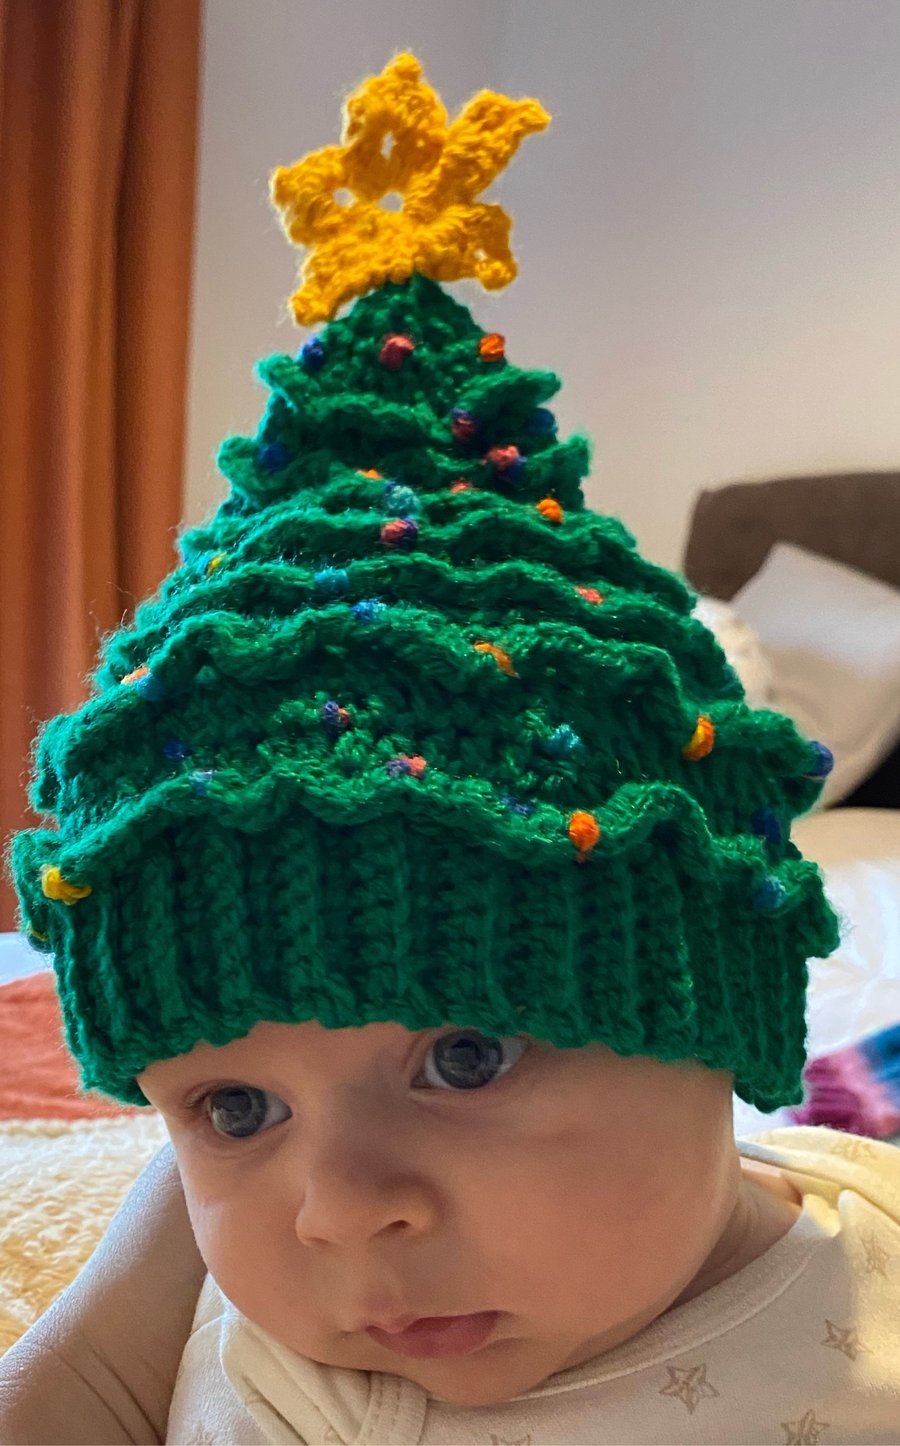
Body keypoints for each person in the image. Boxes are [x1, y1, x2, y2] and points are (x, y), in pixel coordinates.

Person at [3, 50, 899, 1446]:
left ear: (721, 1020)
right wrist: (145, 1262)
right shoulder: (306, 1392)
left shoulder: (868, 1228)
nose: (338, 1208)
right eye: (233, 1105)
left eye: (467, 1054)